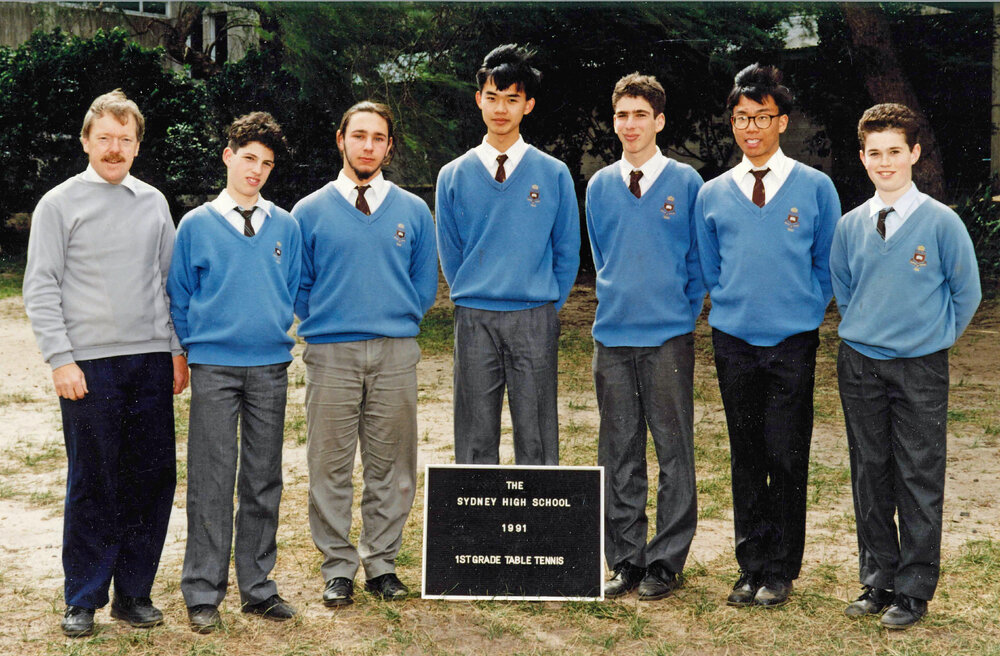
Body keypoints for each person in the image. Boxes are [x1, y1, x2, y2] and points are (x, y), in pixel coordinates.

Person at [22, 89, 188, 637]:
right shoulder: (58, 204)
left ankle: (134, 592)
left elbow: (168, 285)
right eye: (105, 139)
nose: (114, 149)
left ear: (138, 146)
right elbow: (41, 287)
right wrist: (60, 359)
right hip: (89, 366)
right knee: (94, 481)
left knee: (152, 477)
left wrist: (175, 351)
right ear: (86, 140)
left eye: (125, 140)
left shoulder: (154, 203)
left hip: (148, 361)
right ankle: (84, 596)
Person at [694, 64, 840, 607]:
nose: (750, 128)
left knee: (786, 453)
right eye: (741, 118)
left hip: (793, 343)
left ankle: (781, 569)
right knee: (746, 454)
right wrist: (736, 307)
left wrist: (803, 310)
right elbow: (711, 268)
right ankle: (749, 565)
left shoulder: (816, 188)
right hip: (734, 341)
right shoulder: (712, 193)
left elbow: (828, 266)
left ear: (782, 120)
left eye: (762, 117)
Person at [832, 103, 981, 629]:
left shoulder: (942, 223)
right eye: (875, 153)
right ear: (863, 158)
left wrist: (929, 339)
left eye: (896, 151)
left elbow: (966, 293)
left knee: (918, 474)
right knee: (869, 473)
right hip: (860, 365)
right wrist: (870, 336)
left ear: (914, 154)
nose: (885, 162)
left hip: (920, 368)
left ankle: (914, 589)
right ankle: (877, 579)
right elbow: (846, 291)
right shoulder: (851, 225)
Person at [293, 101, 438, 607]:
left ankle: (381, 565)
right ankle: (338, 568)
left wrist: (391, 322)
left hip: (396, 352)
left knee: (392, 465)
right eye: (359, 136)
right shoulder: (308, 211)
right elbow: (299, 286)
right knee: (329, 465)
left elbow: (423, 286)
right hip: (331, 353)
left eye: (379, 138)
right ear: (341, 140)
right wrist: (334, 322)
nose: (368, 146)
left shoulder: (413, 211)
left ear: (389, 147)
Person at [167, 112, 301, 632]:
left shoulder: (284, 225)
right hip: (215, 369)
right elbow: (180, 297)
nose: (257, 170)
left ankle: (258, 587)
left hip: (270, 366)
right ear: (228, 156)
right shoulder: (197, 224)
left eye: (266, 164)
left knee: (264, 479)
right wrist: (188, 352)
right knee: (211, 478)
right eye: (249, 158)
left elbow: (291, 287)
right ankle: (203, 591)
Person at [585, 73, 703, 601]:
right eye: (621, 116)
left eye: (640, 115)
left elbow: (699, 263)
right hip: (612, 337)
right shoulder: (599, 186)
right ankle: (625, 558)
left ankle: (665, 560)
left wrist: (679, 310)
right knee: (619, 448)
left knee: (673, 449)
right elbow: (601, 255)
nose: (629, 125)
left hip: (668, 339)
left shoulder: (687, 183)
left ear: (659, 120)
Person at [435, 44, 581, 466]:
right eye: (493, 97)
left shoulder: (553, 173)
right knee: (476, 436)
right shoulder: (453, 175)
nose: (501, 109)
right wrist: (475, 292)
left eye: (512, 99)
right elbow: (451, 251)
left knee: (536, 436)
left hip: (534, 316)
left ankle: (536, 531)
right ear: (479, 98)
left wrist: (545, 301)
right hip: (474, 316)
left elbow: (566, 250)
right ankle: (480, 532)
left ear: (528, 105)